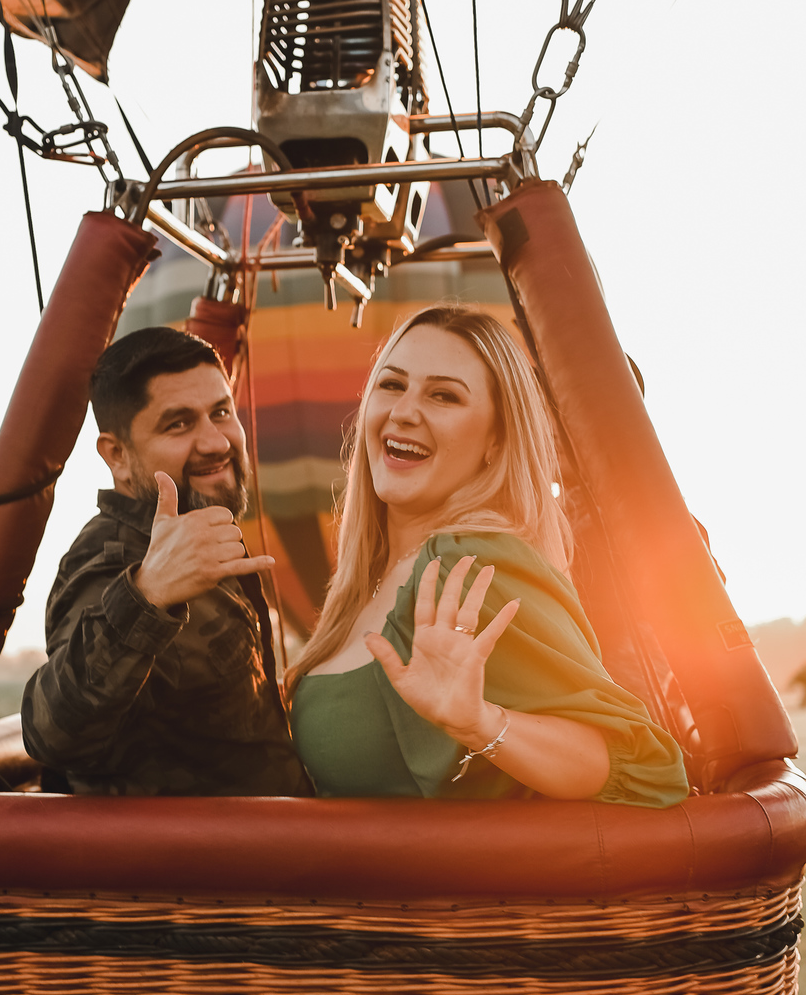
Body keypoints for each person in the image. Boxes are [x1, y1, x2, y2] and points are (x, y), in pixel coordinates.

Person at [289, 305, 688, 805]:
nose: (405, 411)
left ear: (496, 441)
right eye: (391, 385)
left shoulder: (469, 562)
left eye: (444, 395)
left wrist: (480, 723)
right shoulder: (368, 581)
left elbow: (647, 768)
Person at [21, 326, 311, 797]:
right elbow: (52, 732)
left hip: (269, 855)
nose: (216, 442)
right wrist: (147, 594)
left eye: (221, 412)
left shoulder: (197, 536)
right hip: (192, 866)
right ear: (117, 455)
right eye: (178, 424)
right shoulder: (113, 561)